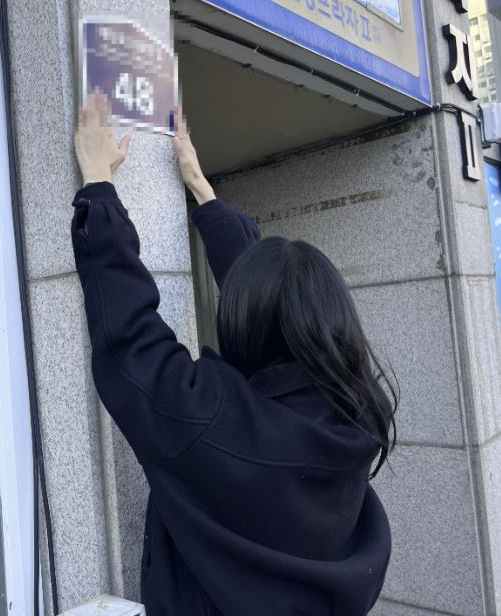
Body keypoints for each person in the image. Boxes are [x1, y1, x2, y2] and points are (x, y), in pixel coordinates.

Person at [71, 89, 398, 616]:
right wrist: (204, 194)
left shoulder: (214, 420)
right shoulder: (354, 416)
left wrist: (98, 187)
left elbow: (132, 339)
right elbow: (277, 310)